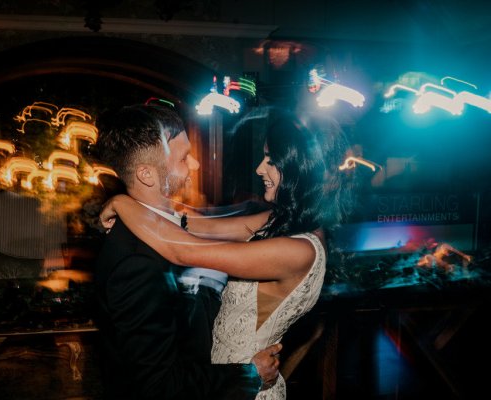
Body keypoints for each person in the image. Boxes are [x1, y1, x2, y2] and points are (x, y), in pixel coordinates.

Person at [100, 106, 356, 399]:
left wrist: (121, 201)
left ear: (300, 169)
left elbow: (182, 250)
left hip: (246, 385)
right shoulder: (281, 221)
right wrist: (138, 207)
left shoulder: (297, 250)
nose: (259, 168)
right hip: (227, 383)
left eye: (271, 160)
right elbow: (200, 225)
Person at [93, 103, 282, 400]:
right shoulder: (137, 263)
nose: (194, 165)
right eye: (183, 158)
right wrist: (249, 374)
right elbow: (158, 386)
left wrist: (121, 201)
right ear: (146, 174)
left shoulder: (166, 230)